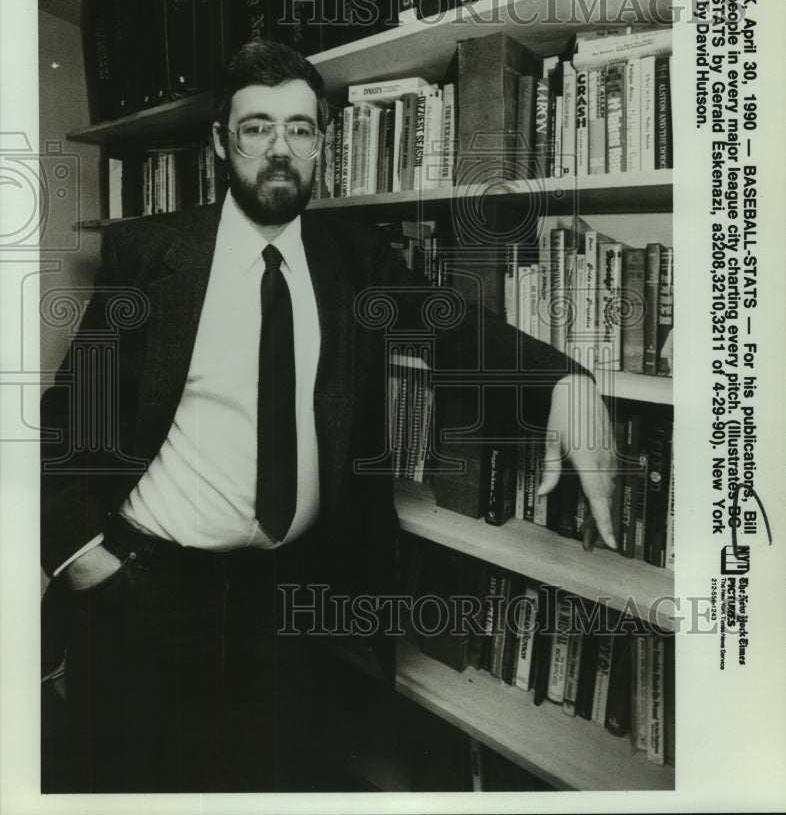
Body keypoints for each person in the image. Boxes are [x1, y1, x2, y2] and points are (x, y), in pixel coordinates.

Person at [40, 40, 617, 793]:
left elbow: (449, 324)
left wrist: (564, 380)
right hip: (149, 588)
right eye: (256, 128)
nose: (280, 149)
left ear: (321, 144)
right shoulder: (149, 254)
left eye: (301, 129)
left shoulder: (352, 258)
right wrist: (77, 549)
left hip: (290, 598)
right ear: (221, 142)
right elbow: (71, 411)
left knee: (268, 780)